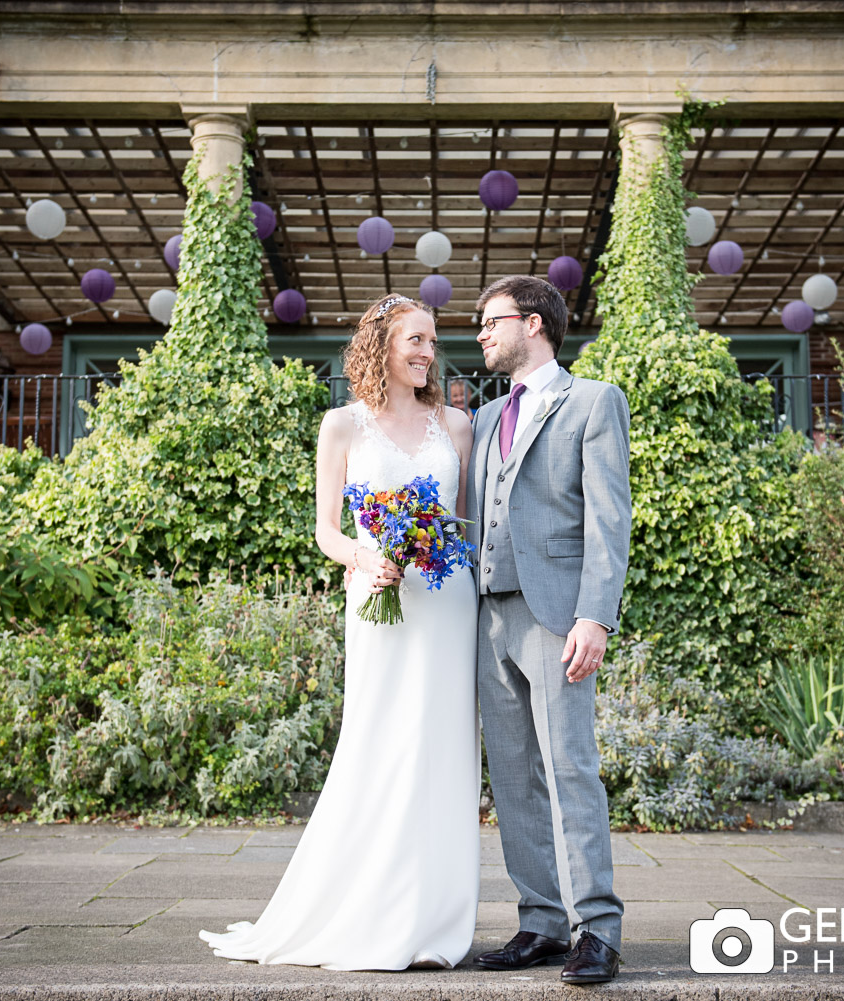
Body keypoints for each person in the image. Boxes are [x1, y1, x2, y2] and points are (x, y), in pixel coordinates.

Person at [198, 294, 480, 970]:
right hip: (377, 602)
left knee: (443, 753)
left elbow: (463, 524)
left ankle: (434, 920)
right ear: (381, 343)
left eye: (433, 341)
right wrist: (365, 556)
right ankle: (365, 911)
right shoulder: (342, 426)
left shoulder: (459, 425)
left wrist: (430, 548)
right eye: (415, 338)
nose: (427, 352)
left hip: (446, 606)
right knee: (379, 746)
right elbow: (326, 528)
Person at [467, 275, 631, 984]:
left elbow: (609, 516)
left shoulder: (593, 400)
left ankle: (596, 926)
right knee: (511, 777)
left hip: (556, 613)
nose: (481, 334)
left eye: (490, 321)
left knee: (569, 768)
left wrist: (594, 613)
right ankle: (539, 920)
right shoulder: (482, 416)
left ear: (532, 323)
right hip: (487, 614)